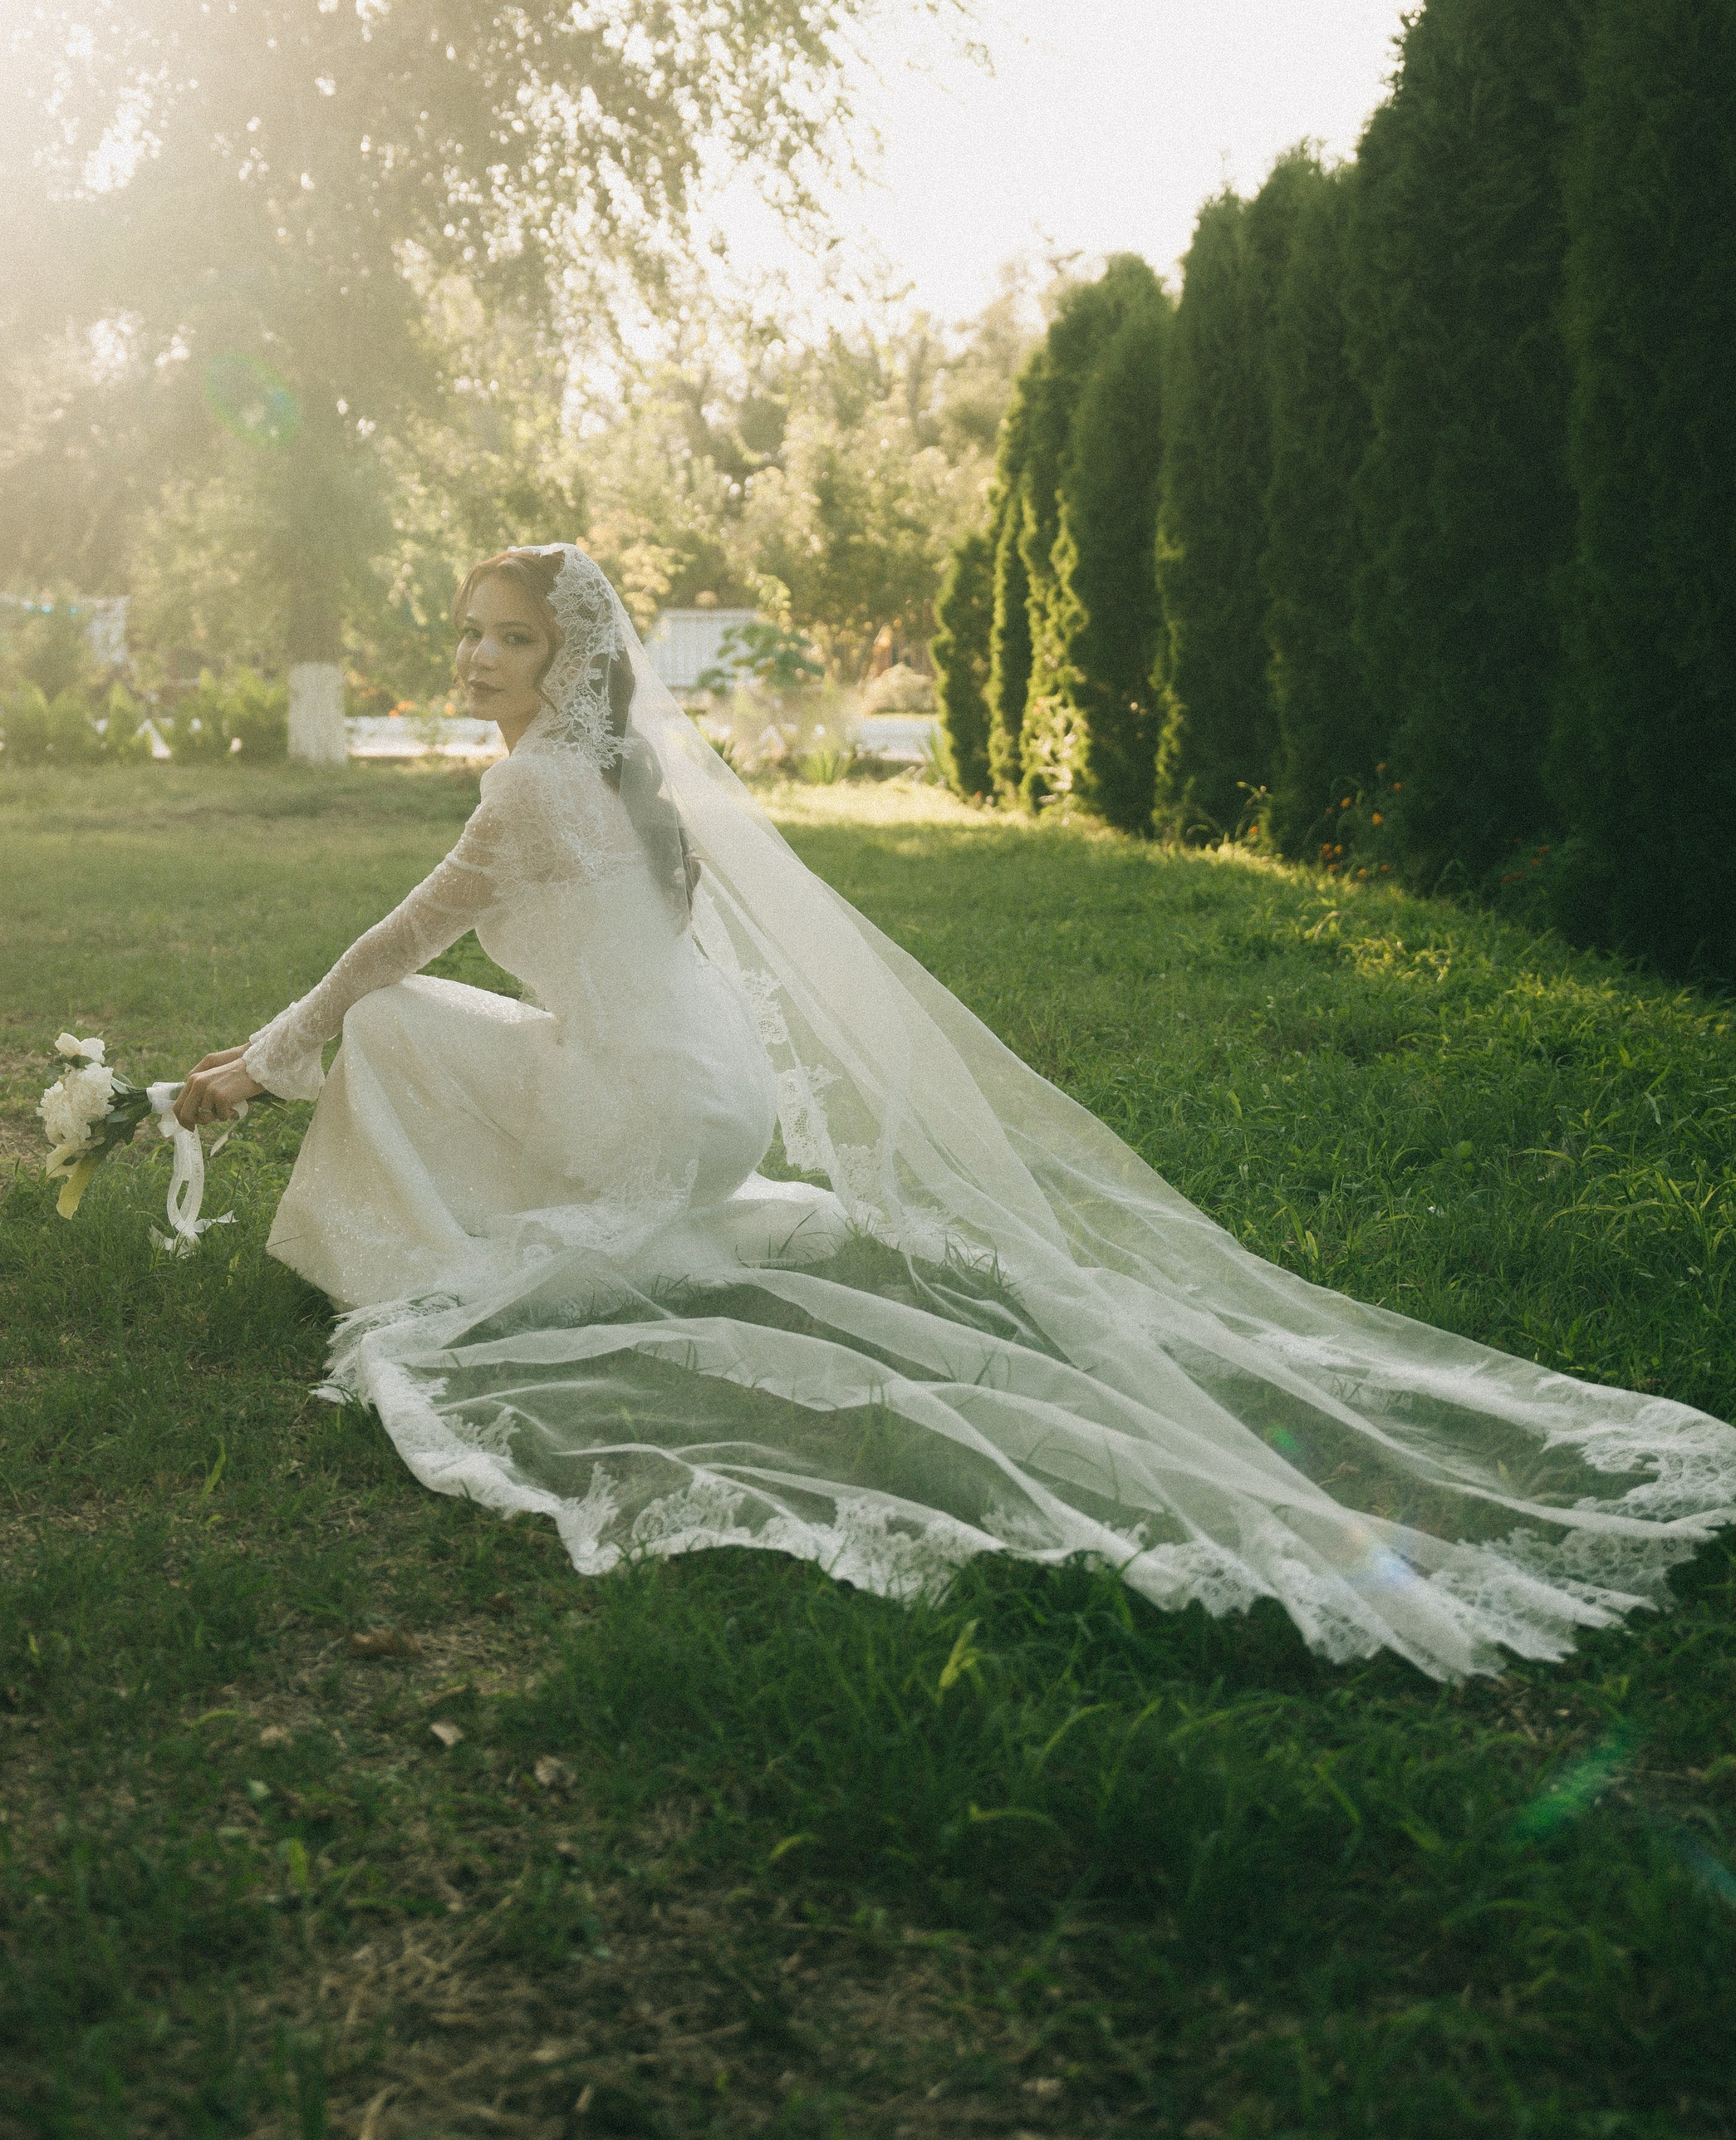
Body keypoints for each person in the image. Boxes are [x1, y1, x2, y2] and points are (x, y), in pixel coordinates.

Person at [176, 544, 1736, 1681]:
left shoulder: (527, 787)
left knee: (387, 1021)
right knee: (476, 1032)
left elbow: (393, 947)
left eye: (504, 640)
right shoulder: (622, 772)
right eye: (465, 634)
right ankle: (521, 1209)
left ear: (564, 660)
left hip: (649, 1124)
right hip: (722, 1108)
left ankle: (411, 1261)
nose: (474, 660)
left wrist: (261, 1064)